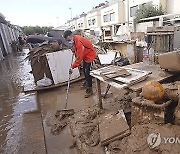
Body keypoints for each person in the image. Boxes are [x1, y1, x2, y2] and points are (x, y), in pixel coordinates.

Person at [63, 30, 96, 98]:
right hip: (85, 55)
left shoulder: (79, 42)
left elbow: (79, 57)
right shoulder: (75, 38)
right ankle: (87, 83)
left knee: (87, 72)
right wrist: (74, 49)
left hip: (89, 56)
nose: (69, 42)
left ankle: (89, 90)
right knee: (84, 70)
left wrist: (72, 67)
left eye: (68, 40)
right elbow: (76, 48)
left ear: (70, 36)